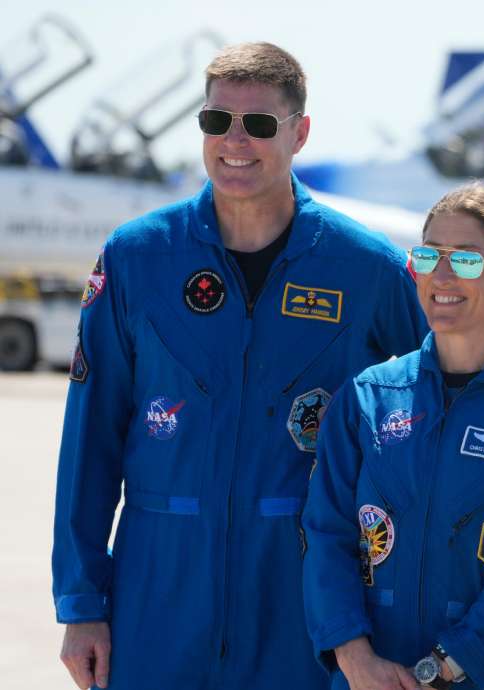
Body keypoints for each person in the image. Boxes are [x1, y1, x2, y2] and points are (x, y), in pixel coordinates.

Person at [52, 43, 428, 690]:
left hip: (305, 597)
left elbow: (432, 412)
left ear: (300, 133)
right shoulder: (137, 259)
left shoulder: (365, 270)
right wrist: (82, 605)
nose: (234, 142)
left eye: (258, 125)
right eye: (215, 122)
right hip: (157, 596)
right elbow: (90, 440)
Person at [302, 185, 484, 690]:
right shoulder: (366, 397)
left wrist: (443, 670)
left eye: (465, 260)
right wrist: (354, 658)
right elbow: (325, 534)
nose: (441, 276)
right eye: (428, 256)